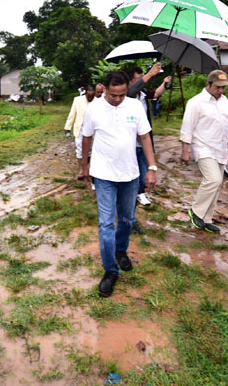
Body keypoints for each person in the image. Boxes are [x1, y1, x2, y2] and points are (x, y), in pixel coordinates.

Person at [78, 71, 157, 298]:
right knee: (105, 224)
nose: (118, 99)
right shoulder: (94, 108)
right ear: (105, 89)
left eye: (122, 94)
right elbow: (86, 138)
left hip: (130, 174)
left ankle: (121, 250)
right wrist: (84, 167)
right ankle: (110, 271)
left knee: (126, 219)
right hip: (103, 175)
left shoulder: (134, 106)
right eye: (113, 95)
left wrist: (152, 168)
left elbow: (145, 137)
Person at [179, 70, 228, 234]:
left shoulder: (224, 101)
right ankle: (196, 211)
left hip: (220, 147)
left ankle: (206, 219)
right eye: (218, 87)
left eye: (223, 88)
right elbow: (187, 127)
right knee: (213, 179)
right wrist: (185, 150)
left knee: (217, 185)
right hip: (202, 146)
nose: (221, 91)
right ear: (208, 85)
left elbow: (227, 124)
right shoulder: (196, 102)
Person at [127, 63, 171, 206]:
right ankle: (133, 194)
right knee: (133, 170)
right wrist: (150, 73)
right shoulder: (127, 94)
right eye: (138, 79)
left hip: (144, 137)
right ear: (130, 81)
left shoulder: (143, 93)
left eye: (142, 78)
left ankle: (140, 192)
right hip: (130, 140)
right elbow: (132, 90)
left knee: (145, 168)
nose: (142, 81)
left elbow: (156, 94)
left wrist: (165, 83)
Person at [64, 84, 96, 159]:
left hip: (92, 128)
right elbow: (72, 114)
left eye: (92, 96)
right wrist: (67, 127)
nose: (90, 98)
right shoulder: (78, 100)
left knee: (91, 148)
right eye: (88, 96)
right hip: (80, 127)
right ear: (85, 93)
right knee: (79, 147)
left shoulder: (98, 101)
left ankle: (88, 165)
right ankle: (81, 167)